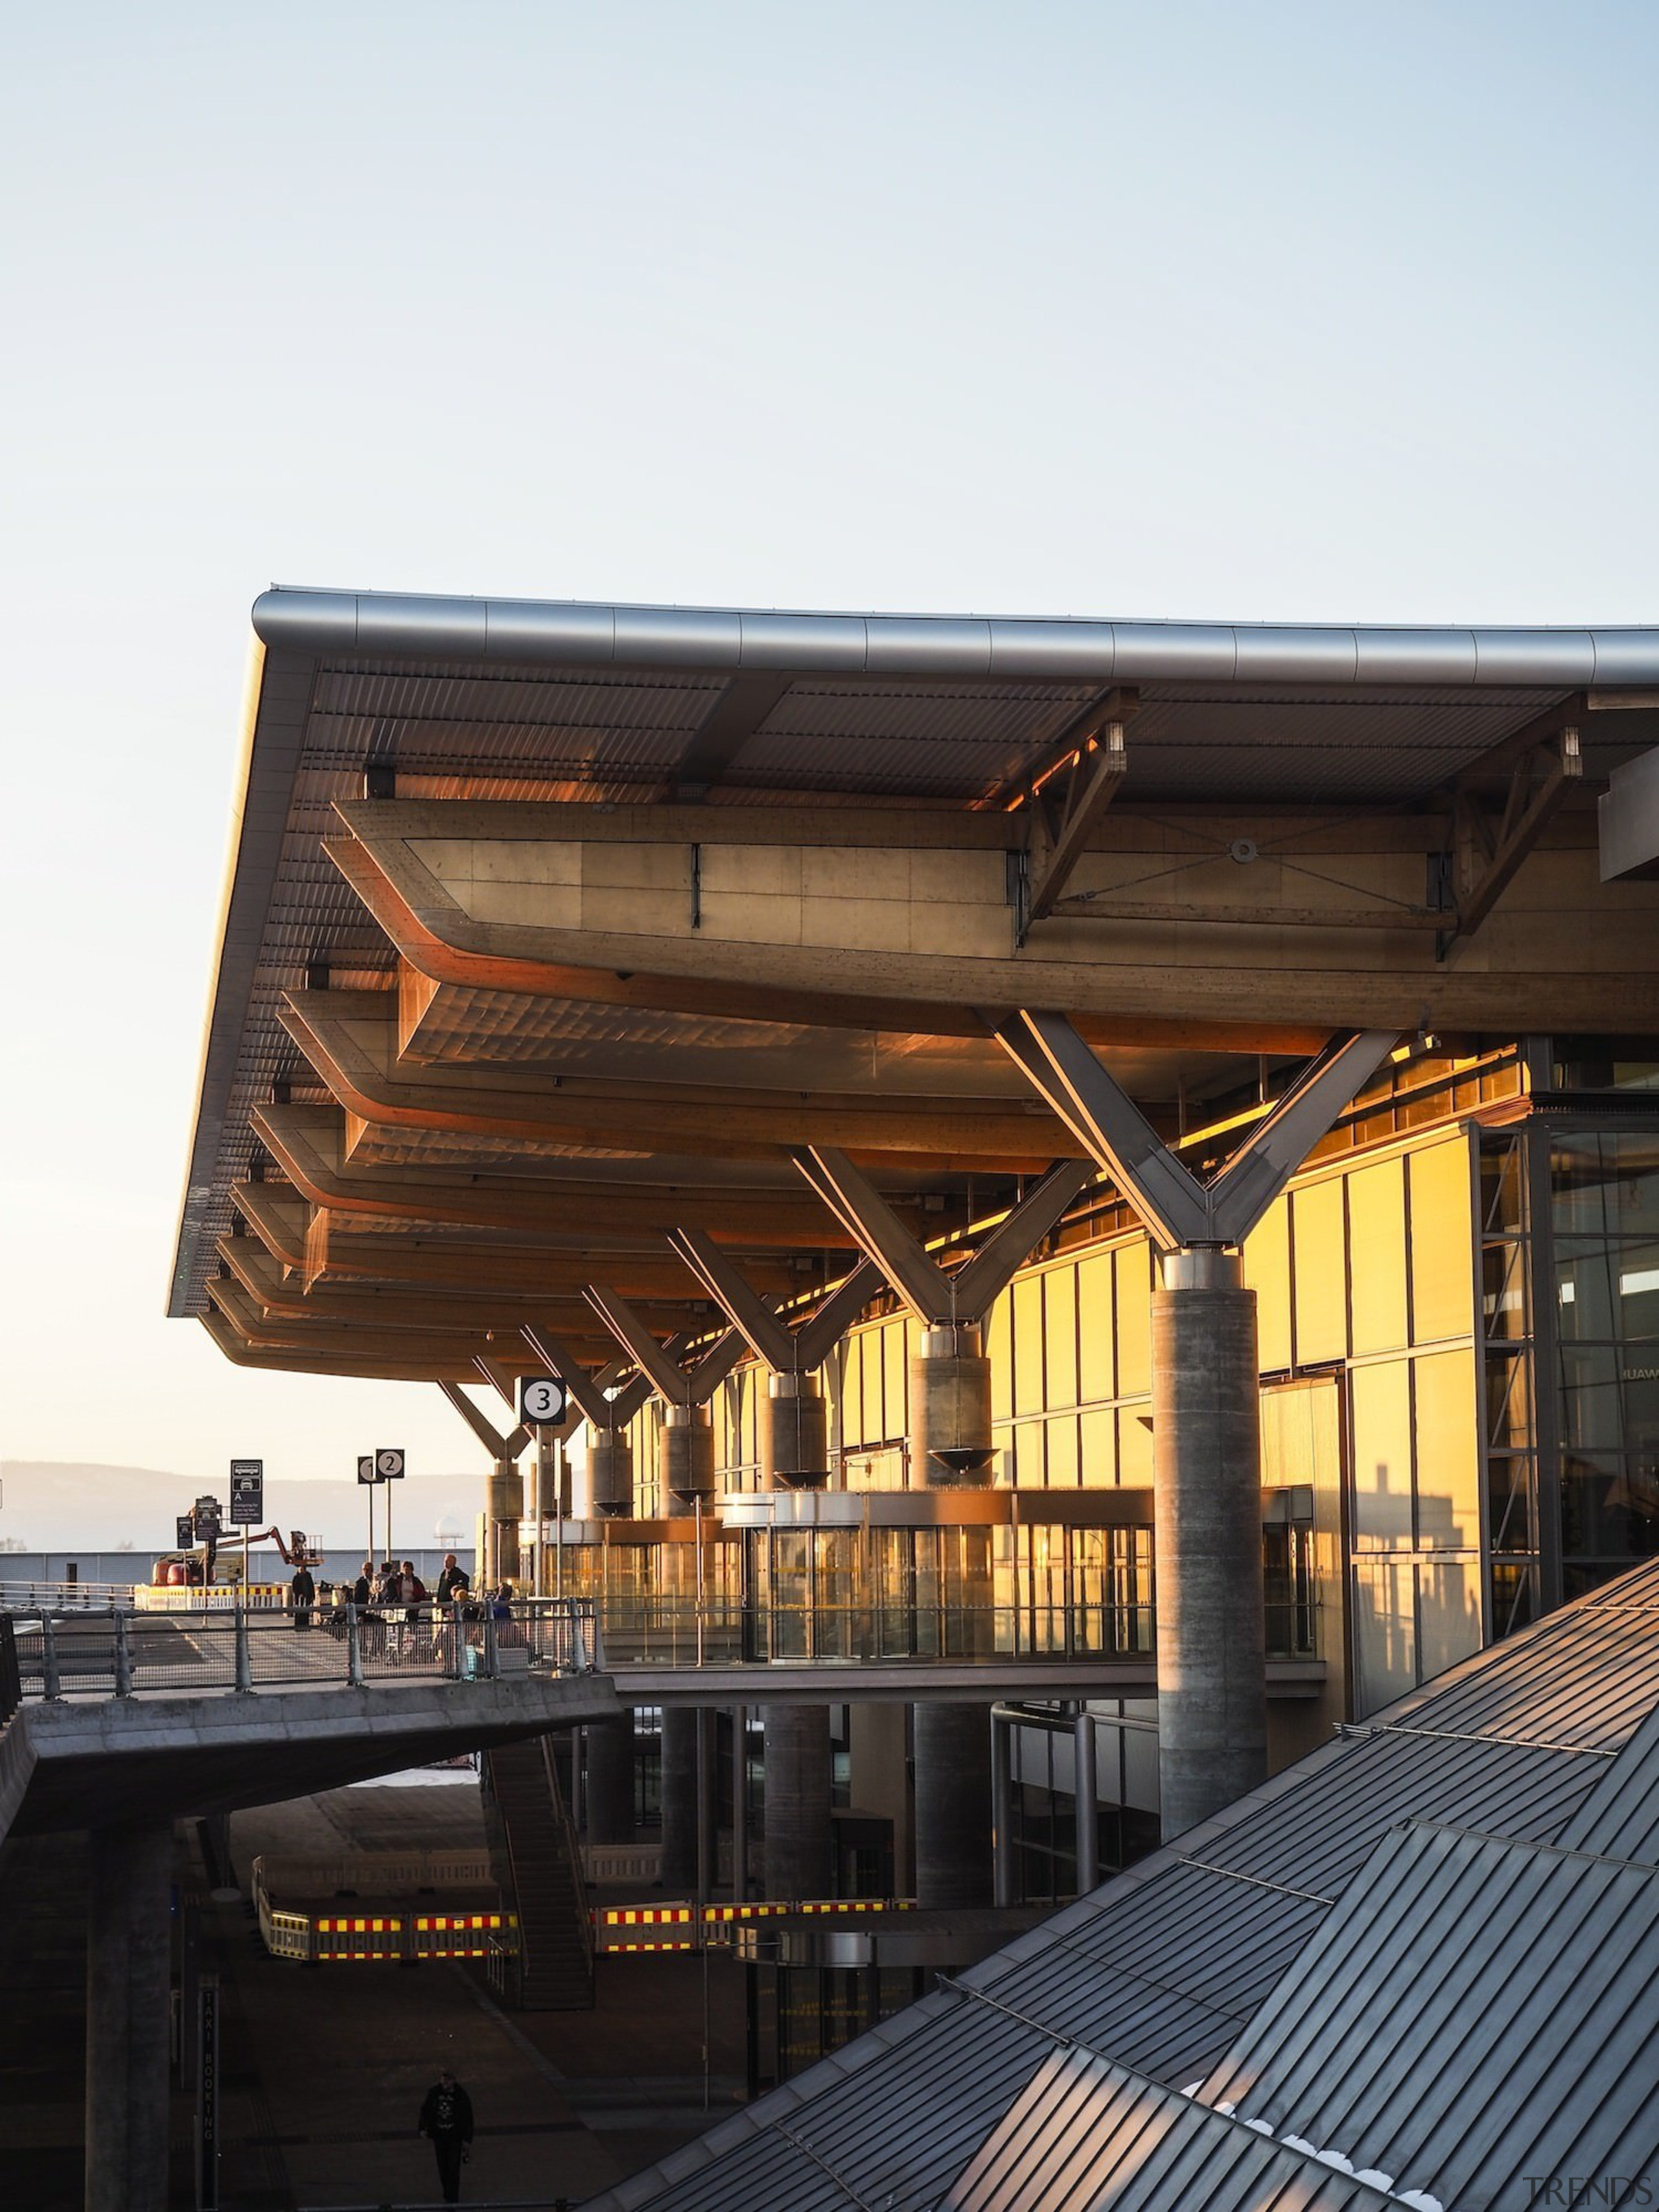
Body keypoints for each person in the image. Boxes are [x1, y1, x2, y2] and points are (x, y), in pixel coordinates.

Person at [417, 2067, 474, 2204]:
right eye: (444, 2080)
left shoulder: (461, 2096)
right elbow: (425, 2111)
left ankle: (452, 2198)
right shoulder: (434, 2093)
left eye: (448, 2080)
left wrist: (467, 2139)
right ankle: (448, 2195)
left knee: (453, 2169)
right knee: (443, 2168)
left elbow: (468, 2117)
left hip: (455, 2137)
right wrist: (422, 2128)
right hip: (440, 2136)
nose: (445, 2083)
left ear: (453, 2081)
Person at [288, 1560, 315, 1630]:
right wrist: (298, 1594)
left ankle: (305, 1626)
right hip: (299, 1598)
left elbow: (311, 1587)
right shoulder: (296, 1578)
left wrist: (312, 1596)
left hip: (307, 1597)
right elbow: (294, 1588)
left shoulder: (308, 1577)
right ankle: (299, 1626)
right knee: (299, 1612)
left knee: (306, 1612)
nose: (302, 1570)